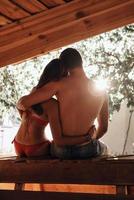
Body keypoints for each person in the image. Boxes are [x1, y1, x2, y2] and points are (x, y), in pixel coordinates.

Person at [17, 48, 109, 159]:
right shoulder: (101, 91)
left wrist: (26, 113)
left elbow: (24, 103)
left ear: (64, 66)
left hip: (59, 151)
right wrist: (90, 138)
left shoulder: (59, 84)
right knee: (105, 148)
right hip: (86, 150)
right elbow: (103, 128)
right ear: (81, 62)